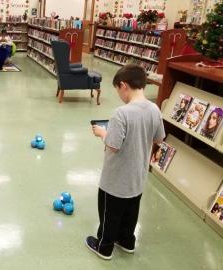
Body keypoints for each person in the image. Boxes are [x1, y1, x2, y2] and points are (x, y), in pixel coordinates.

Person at [86, 64, 165, 260]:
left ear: (123, 86)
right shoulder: (154, 109)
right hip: (137, 177)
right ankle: (127, 241)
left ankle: (104, 246)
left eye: (117, 90)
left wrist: (102, 132)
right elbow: (159, 139)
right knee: (131, 211)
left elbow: (113, 145)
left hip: (115, 180)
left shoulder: (121, 113)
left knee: (109, 214)